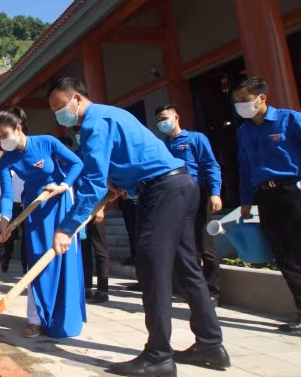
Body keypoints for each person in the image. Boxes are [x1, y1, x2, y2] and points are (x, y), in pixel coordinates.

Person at [47, 77, 227, 376]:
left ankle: (158, 355)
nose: (58, 115)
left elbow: (92, 182)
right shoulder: (112, 114)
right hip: (180, 185)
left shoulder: (95, 123)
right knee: (187, 267)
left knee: (152, 268)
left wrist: (66, 227)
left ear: (76, 98)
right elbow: (131, 162)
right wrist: (124, 188)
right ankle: (211, 345)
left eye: (59, 107)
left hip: (164, 191)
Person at [234, 76, 301, 345]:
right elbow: (245, 169)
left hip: (296, 192)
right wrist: (246, 201)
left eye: (245, 101)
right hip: (266, 195)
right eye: (236, 102)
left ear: (262, 97)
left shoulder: (291, 120)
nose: (241, 107)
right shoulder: (245, 132)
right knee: (284, 256)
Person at [0, 107, 85, 338]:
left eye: (4, 135)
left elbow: (76, 164)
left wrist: (64, 186)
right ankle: (36, 319)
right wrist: (5, 219)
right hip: (34, 209)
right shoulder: (6, 160)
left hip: (60, 202)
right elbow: (6, 194)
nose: (2, 140)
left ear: (18, 129)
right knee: (37, 260)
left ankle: (66, 317)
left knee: (64, 256)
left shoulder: (46, 142)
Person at [156, 104, 223, 305]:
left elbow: (211, 165)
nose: (162, 123)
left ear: (176, 117)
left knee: (204, 244)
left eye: (165, 118)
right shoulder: (162, 145)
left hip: (198, 193)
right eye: (159, 120)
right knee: (183, 245)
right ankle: (191, 289)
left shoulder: (196, 139)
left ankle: (212, 291)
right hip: (173, 197)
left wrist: (215, 193)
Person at [58, 135, 111, 304]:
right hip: (81, 208)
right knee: (85, 248)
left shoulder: (96, 152)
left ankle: (103, 289)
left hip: (96, 205)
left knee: (100, 248)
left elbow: (104, 181)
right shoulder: (76, 155)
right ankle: (86, 286)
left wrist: (101, 207)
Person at [1, 169, 27, 274]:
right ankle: (6, 258)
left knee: (26, 237)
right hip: (13, 205)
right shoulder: (11, 169)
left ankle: (25, 265)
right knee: (9, 234)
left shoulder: (29, 166)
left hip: (26, 204)